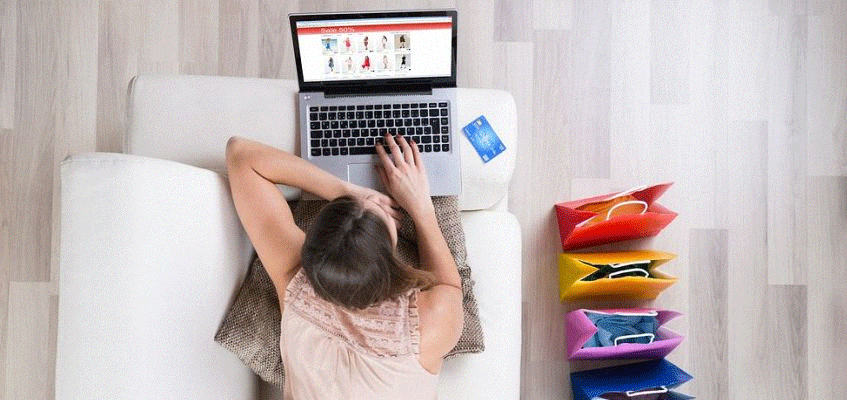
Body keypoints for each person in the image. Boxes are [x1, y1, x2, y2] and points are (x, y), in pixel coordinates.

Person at [226, 135, 463, 399]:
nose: (373, 202)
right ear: (390, 262)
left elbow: (241, 155)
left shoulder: (294, 279)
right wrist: (421, 209)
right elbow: (449, 286)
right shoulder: (427, 325)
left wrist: (343, 191)